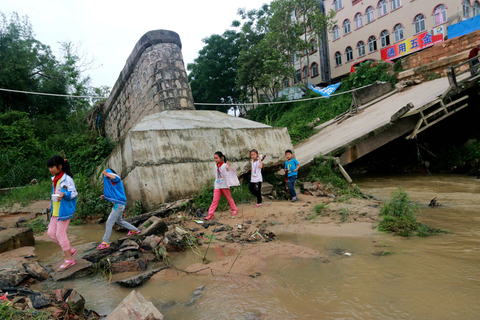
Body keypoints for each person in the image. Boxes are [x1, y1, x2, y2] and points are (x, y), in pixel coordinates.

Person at [46, 156, 78, 272]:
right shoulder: (55, 179)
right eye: (49, 167)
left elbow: (74, 193)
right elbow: (55, 194)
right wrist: (51, 205)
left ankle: (69, 259)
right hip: (56, 211)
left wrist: (65, 195)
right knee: (50, 233)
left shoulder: (67, 179)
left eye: (52, 167)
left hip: (64, 211)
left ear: (60, 166)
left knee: (60, 235)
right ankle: (70, 250)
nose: (50, 169)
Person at [97, 169, 140, 250]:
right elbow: (115, 193)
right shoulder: (113, 183)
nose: (106, 178)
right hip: (119, 204)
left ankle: (105, 242)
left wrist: (106, 173)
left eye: (107, 176)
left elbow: (116, 178)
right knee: (119, 221)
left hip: (119, 205)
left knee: (109, 222)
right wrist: (105, 196)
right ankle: (134, 230)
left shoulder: (116, 179)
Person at [205, 151, 238, 220]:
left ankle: (234, 209)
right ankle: (210, 214)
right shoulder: (215, 165)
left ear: (221, 158)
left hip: (224, 185)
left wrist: (227, 169)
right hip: (217, 185)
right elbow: (216, 174)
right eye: (214, 158)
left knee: (229, 198)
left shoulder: (225, 165)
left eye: (217, 158)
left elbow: (229, 173)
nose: (215, 160)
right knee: (215, 200)